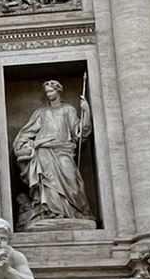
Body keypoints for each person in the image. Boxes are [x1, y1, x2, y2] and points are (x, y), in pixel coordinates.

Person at [12, 80, 93, 224]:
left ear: (58, 91)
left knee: (71, 179)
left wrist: (86, 111)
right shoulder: (41, 113)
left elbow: (79, 134)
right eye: (47, 92)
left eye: (51, 91)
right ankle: (51, 212)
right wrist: (25, 145)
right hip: (44, 151)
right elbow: (26, 133)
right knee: (48, 182)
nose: (49, 94)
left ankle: (74, 212)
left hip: (64, 150)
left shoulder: (68, 110)